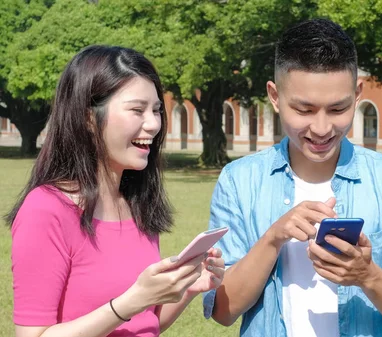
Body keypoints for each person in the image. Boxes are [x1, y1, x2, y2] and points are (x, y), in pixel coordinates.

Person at [203, 18, 382, 337]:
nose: (321, 128)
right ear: (274, 96)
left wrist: (367, 275)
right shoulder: (239, 180)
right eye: (304, 110)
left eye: (337, 109)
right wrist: (274, 237)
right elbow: (223, 310)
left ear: (357, 94)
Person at [7, 45, 225, 337]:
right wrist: (130, 302)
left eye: (157, 110)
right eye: (137, 110)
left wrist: (187, 288)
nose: (153, 124)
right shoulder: (46, 209)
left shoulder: (137, 202)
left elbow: (144, 323)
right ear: (87, 117)